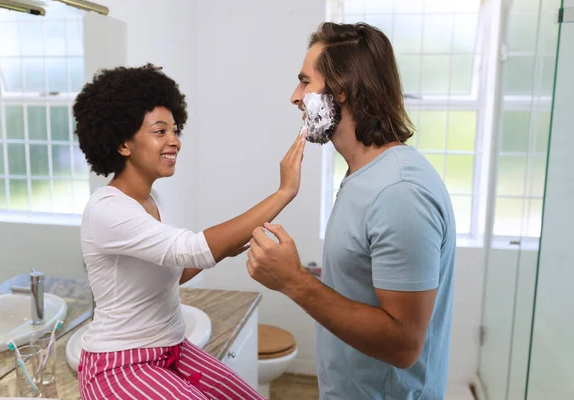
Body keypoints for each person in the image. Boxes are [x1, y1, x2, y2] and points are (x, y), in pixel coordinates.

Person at [246, 22, 456, 399]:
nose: (295, 97)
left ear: (341, 89)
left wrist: (293, 279)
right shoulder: (363, 175)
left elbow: (403, 345)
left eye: (305, 82)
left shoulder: (399, 192)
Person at [73, 63, 305, 400]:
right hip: (120, 366)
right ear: (123, 143)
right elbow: (192, 249)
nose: (175, 141)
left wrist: (228, 245)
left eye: (175, 130)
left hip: (171, 352)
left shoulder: (148, 203)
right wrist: (283, 192)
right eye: (160, 131)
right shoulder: (107, 209)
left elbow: (176, 271)